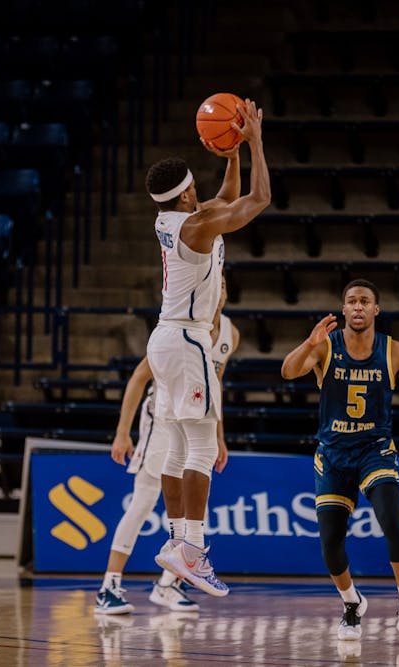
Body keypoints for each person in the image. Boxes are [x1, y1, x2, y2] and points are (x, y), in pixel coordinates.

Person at [280, 279, 399, 642]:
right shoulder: (325, 346)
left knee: (391, 519)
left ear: (376, 310)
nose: (358, 307)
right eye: (351, 301)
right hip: (333, 454)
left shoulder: (395, 352)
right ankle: (351, 603)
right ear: (343, 309)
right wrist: (308, 344)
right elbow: (287, 371)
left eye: (365, 301)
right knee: (330, 542)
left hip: (375, 450)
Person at [145, 97, 269, 597]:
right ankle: (192, 549)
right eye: (195, 185)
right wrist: (256, 141)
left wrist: (231, 154)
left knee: (176, 446)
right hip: (189, 338)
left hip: (165, 338)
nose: (202, 189)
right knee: (199, 443)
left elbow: (227, 195)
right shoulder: (196, 226)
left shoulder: (179, 218)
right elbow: (256, 201)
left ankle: (177, 540)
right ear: (184, 196)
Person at [95, 286, 239, 615]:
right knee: (144, 500)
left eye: (222, 287)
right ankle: (109, 586)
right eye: (213, 285)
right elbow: (137, 378)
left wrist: (220, 435)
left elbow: (216, 384)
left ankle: (168, 585)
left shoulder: (230, 333)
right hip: (161, 416)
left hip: (199, 414)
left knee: (196, 505)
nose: (217, 292)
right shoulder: (181, 324)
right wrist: (122, 432)